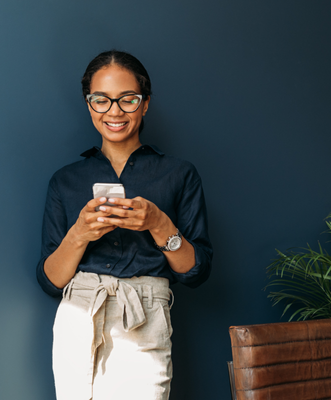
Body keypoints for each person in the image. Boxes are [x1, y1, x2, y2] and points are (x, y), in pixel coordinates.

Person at [36, 50, 213, 400]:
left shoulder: (179, 174)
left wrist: (159, 223)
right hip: (79, 314)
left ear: (145, 104)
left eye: (127, 100)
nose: (114, 111)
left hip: (144, 313)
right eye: (101, 100)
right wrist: (79, 235)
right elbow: (50, 281)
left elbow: (197, 272)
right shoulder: (65, 181)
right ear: (89, 105)